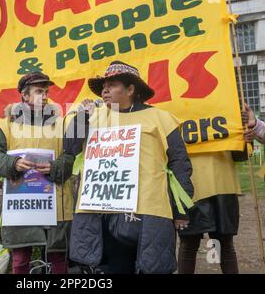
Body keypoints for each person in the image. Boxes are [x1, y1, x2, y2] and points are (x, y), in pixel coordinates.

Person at [67, 61, 194, 274]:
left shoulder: (161, 119)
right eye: (103, 86)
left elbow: (180, 164)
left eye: (112, 84)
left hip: (148, 209)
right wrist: (81, 119)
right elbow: (70, 149)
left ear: (130, 89)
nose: (105, 90)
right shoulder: (93, 116)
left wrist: (180, 210)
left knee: (150, 267)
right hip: (102, 210)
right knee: (114, 268)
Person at [0, 72, 75, 274]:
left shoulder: (62, 123)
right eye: (39, 92)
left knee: (58, 257)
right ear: (25, 96)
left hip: (56, 203)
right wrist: (13, 163)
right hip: (21, 204)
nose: (44, 96)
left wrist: (55, 167)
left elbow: (69, 156)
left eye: (46, 92)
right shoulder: (7, 124)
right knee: (20, 258)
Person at [177, 108, 250, 274]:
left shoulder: (226, 107)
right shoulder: (176, 108)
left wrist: (243, 133)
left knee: (224, 243)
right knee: (189, 243)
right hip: (189, 186)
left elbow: (241, 156)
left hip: (223, 185)